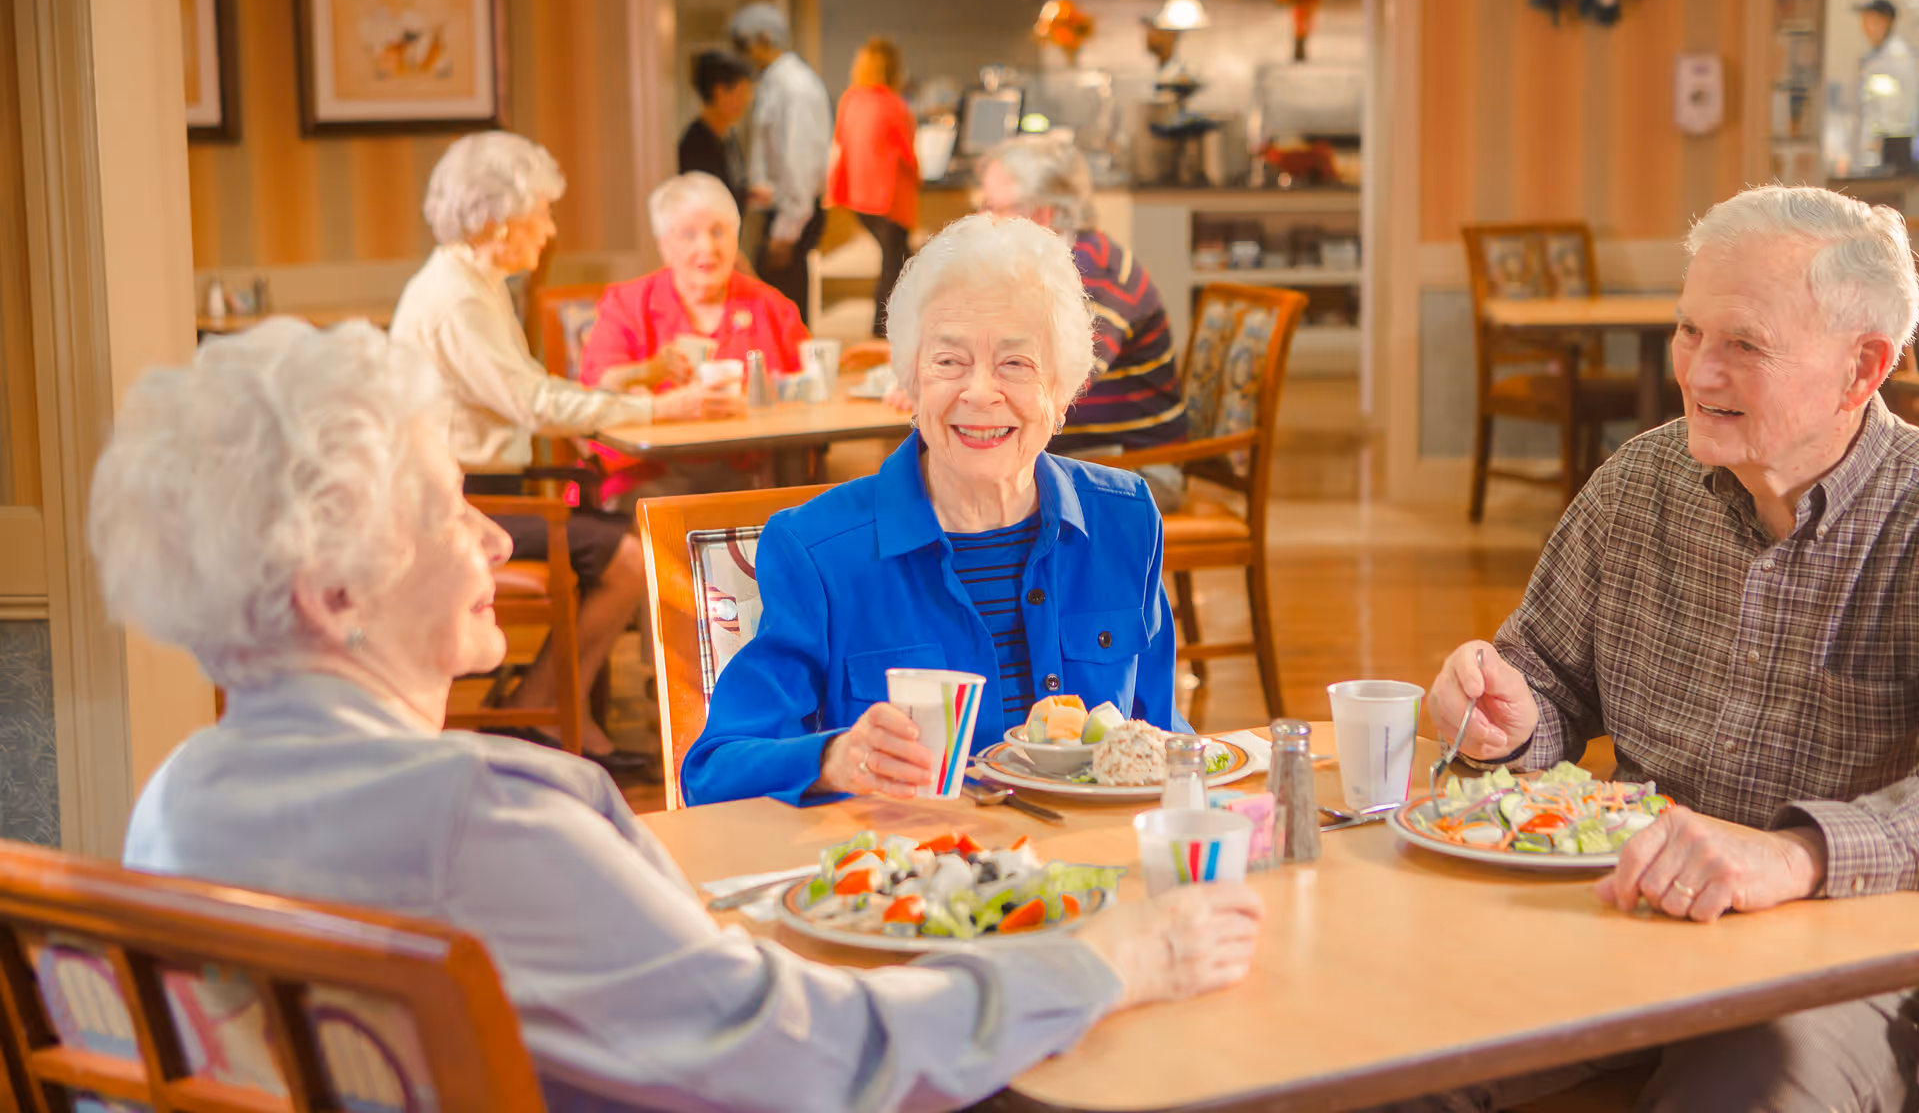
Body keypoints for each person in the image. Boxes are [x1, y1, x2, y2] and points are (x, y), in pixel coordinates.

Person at [93, 318, 1266, 1113]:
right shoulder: (482, 812)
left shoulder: (178, 796)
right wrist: (1107, 963)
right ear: (334, 592)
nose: (498, 539)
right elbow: (812, 1051)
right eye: (452, 510)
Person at [1423, 185, 1919, 1110]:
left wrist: (1797, 857)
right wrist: (1507, 714)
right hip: (1621, 916)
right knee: (1390, 1048)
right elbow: (1543, 680)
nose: (1697, 373)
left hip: (1840, 961)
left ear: (1864, 369)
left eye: (1745, 345)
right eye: (1689, 332)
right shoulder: (1642, 480)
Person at [681, 214, 1190, 808]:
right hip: (916, 882)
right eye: (949, 362)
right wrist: (832, 759)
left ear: (1062, 393)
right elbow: (711, 774)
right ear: (911, 384)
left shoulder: (1123, 521)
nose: (978, 392)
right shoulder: (817, 551)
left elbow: (1163, 741)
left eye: (1015, 364)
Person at [389, 132, 739, 773]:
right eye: (541, 213)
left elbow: (533, 400)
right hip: (461, 503)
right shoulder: (457, 299)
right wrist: (658, 407)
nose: (548, 229)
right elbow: (536, 403)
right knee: (629, 556)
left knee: (620, 543)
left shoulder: (473, 283)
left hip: (484, 486)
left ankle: (555, 711)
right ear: (497, 220)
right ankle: (540, 711)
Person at [977, 134, 1189, 512]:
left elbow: (1061, 379)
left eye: (994, 208)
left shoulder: (1092, 273)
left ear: (1041, 213)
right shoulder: (1039, 266)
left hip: (1134, 470)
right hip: (1081, 456)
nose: (981, 221)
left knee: (964, 495)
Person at [579, 171, 808, 505]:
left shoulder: (772, 306)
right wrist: (659, 391)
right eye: (689, 234)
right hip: (650, 476)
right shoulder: (627, 304)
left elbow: (809, 392)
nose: (708, 247)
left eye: (719, 232)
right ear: (665, 247)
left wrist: (766, 402)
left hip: (752, 477)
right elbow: (598, 386)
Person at [731, 1, 831, 316]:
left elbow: (800, 161)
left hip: (792, 213)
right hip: (780, 208)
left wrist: (785, 232)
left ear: (762, 39)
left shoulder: (795, 87)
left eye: (743, 45)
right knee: (774, 305)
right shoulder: (775, 83)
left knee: (784, 307)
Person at [827, 36, 919, 335]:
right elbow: (908, 155)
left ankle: (889, 328)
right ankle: (884, 332)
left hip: (858, 199)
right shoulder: (894, 106)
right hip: (888, 199)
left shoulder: (849, 100)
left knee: (897, 261)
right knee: (897, 265)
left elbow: (841, 144)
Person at [677, 49, 754, 219]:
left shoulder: (728, 137)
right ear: (720, 92)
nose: (748, 99)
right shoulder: (695, 145)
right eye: (743, 92)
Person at [1850, 0, 1918, 173]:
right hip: (1876, 149)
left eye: (1870, 20)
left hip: (1891, 149)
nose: (1864, 26)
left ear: (1885, 22)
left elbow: (1900, 109)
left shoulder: (1896, 58)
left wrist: (1877, 140)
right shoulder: (1874, 57)